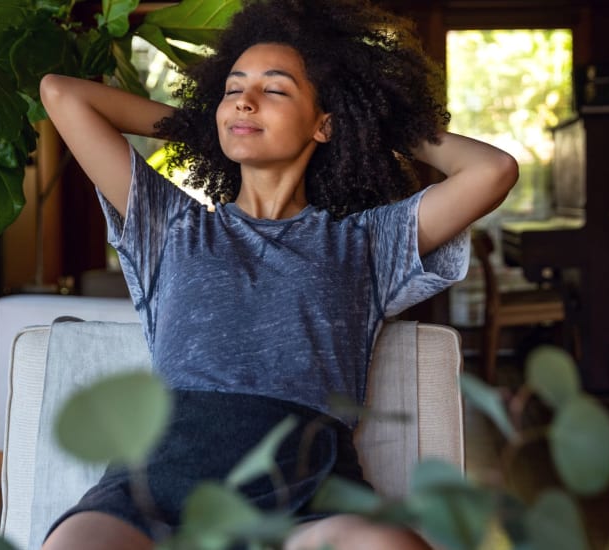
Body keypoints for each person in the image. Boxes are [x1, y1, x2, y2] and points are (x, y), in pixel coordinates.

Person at [39, 0, 518, 548]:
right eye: (232, 89)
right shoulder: (169, 223)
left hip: (304, 495)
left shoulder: (365, 243)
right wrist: (206, 124)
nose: (244, 100)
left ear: (323, 123)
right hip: (155, 486)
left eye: (275, 89)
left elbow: (494, 170)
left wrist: (372, 122)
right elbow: (61, 93)